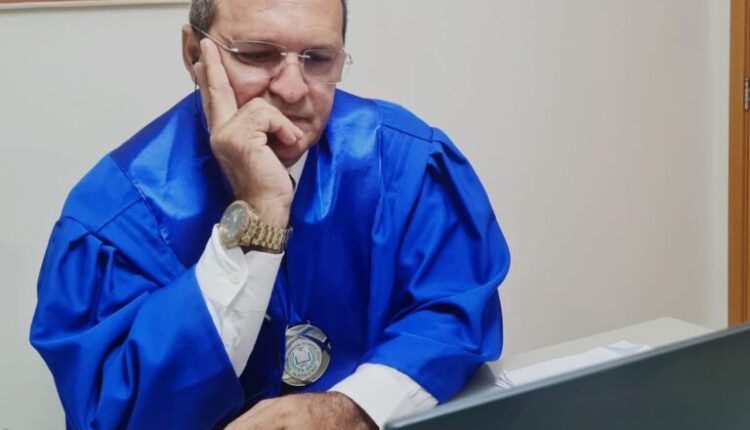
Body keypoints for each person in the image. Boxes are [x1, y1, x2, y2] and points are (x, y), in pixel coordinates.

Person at [30, 0, 510, 428]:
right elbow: (116, 416)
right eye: (257, 55)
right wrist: (258, 212)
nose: (293, 90)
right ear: (194, 54)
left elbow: (454, 315)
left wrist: (352, 407)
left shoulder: (405, 163)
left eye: (317, 59)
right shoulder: (117, 216)